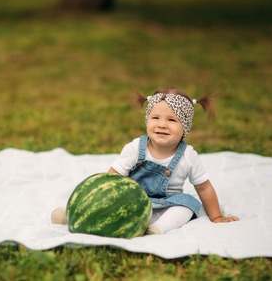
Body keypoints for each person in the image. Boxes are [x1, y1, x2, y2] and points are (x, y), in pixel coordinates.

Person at [51, 86, 238, 235]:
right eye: (155, 117)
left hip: (166, 204)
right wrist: (104, 199)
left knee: (188, 205)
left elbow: (204, 187)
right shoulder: (135, 148)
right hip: (131, 200)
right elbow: (113, 177)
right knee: (105, 209)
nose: (162, 124)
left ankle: (157, 229)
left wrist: (217, 217)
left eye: (172, 120)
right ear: (147, 120)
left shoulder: (188, 156)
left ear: (185, 127)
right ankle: (71, 215)